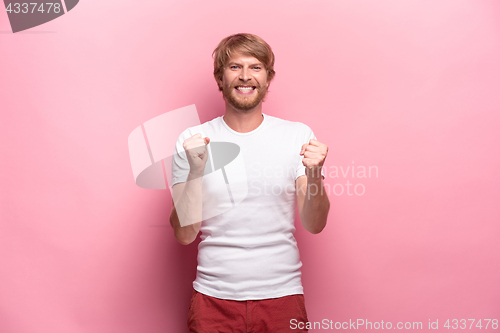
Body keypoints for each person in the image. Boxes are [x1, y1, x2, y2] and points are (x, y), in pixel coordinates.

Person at [169, 33, 330, 332]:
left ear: (268, 78)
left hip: (282, 297)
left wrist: (315, 174)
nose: (245, 76)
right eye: (234, 67)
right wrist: (195, 171)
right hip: (213, 299)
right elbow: (183, 234)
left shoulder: (297, 136)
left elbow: (314, 223)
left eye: (256, 67)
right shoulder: (191, 140)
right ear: (220, 77)